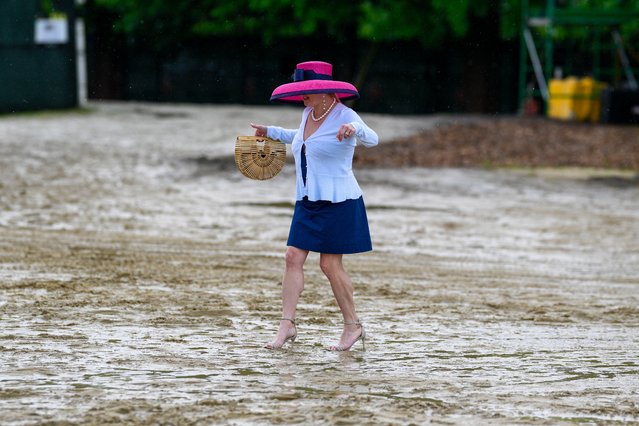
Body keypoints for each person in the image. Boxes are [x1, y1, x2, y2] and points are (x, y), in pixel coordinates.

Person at [250, 61, 378, 351]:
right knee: (292, 256)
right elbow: (301, 139)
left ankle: (352, 326)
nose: (301, 96)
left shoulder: (346, 114)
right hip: (307, 198)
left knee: (329, 265)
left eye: (306, 91)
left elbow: (373, 138)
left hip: (339, 200)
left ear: (324, 92)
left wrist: (354, 129)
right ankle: (287, 325)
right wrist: (270, 131)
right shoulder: (309, 112)